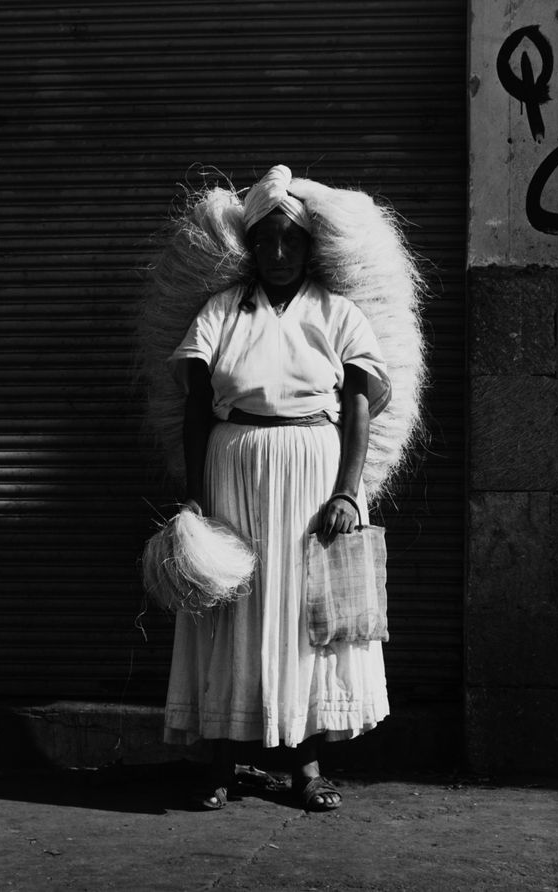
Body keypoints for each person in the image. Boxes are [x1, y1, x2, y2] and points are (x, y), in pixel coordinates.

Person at [162, 165, 396, 811]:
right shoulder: (222, 312)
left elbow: (356, 405)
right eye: (266, 241)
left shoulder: (336, 312)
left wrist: (348, 492)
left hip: (315, 471)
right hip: (233, 465)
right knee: (229, 610)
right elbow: (196, 406)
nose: (279, 253)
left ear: (309, 247)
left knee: (306, 615)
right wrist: (199, 498)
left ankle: (307, 768)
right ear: (251, 248)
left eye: (291, 240)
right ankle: (222, 762)